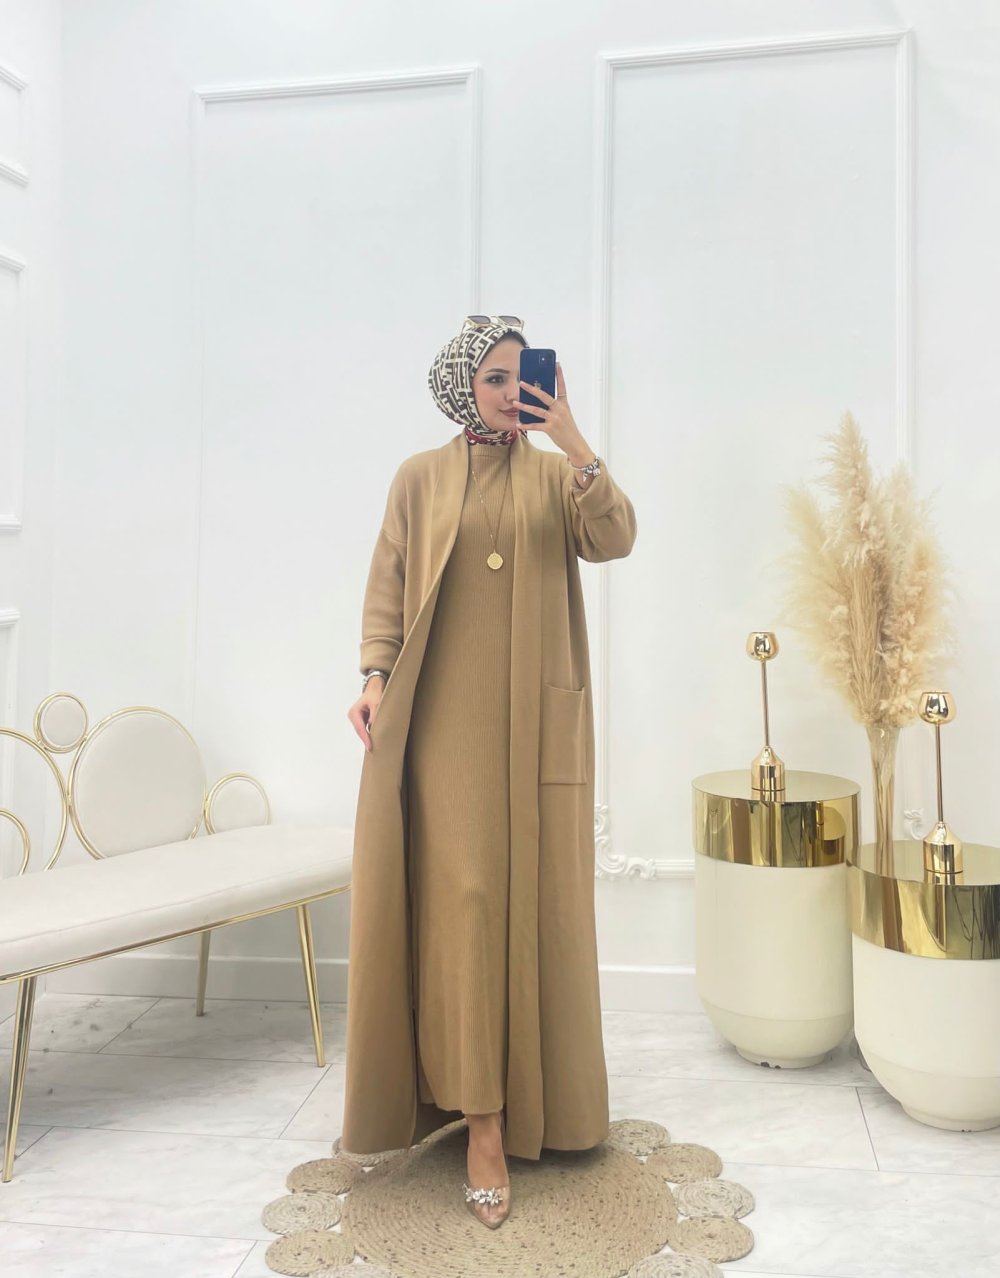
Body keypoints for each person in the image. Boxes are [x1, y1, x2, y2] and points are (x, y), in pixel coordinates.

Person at [342, 315, 637, 1228]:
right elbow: (387, 584)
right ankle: (481, 1124)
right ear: (462, 385)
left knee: (540, 912)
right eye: (497, 378)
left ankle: (548, 1105)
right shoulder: (419, 478)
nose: (514, 393)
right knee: (467, 911)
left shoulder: (556, 476)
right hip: (445, 732)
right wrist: (373, 675)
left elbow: (616, 538)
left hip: (538, 728)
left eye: (525, 377)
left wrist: (574, 439)